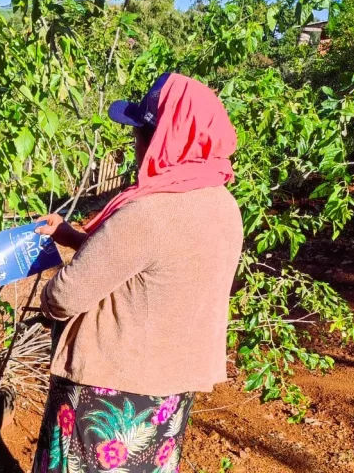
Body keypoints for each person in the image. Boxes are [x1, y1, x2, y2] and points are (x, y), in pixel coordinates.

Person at [33, 73, 243, 472]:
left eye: (140, 134)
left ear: (160, 139)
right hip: (167, 393)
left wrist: (48, 295)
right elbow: (160, 266)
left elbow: (65, 297)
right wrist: (74, 237)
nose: (135, 144)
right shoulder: (222, 203)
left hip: (110, 394)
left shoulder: (147, 213)